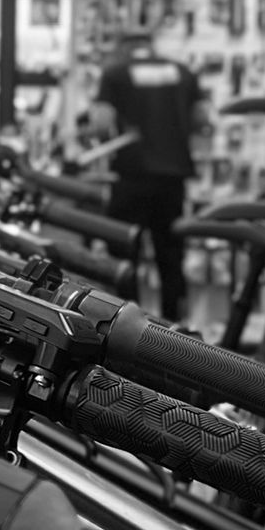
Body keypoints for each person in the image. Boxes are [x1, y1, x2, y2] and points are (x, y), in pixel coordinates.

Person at [91, 31, 210, 324]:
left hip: (131, 177)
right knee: (171, 260)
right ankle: (176, 335)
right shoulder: (183, 72)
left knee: (123, 259)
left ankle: (124, 329)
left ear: (125, 47)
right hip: (172, 181)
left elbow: (101, 124)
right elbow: (202, 120)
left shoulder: (116, 73)